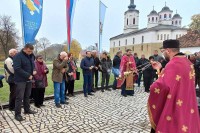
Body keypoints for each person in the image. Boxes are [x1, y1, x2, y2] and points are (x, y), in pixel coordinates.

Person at [148, 40, 200, 133]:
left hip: (175, 104)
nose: (163, 54)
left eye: (163, 51)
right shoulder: (188, 63)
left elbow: (163, 86)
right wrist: (160, 69)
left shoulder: (172, 64)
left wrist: (153, 86)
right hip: (187, 103)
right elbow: (174, 82)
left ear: (168, 50)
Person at [13, 44, 37, 121]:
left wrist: (34, 70)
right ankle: (17, 114)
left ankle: (27, 110)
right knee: (19, 97)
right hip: (20, 80)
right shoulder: (18, 56)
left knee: (27, 96)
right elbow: (17, 68)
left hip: (29, 80)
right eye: (29, 51)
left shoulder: (31, 55)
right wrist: (27, 75)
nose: (30, 53)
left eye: (31, 51)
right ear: (25, 49)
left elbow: (33, 64)